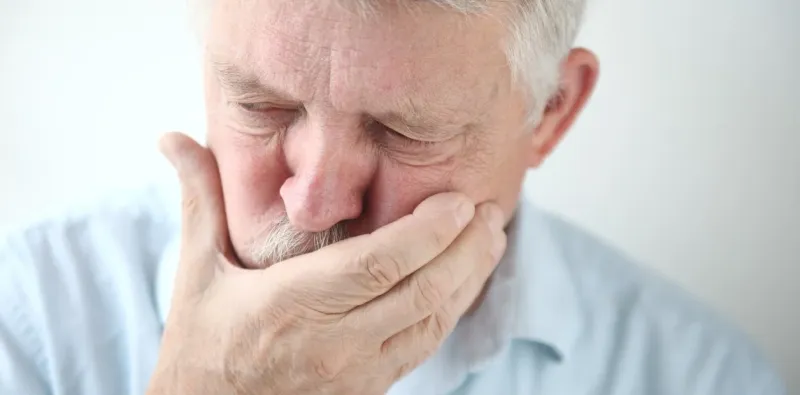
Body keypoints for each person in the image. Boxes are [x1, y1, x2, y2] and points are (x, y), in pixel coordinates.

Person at [0, 0, 787, 394]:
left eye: (403, 131)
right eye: (261, 105)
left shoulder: (697, 377)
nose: (313, 201)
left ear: (550, 112)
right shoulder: (28, 321)